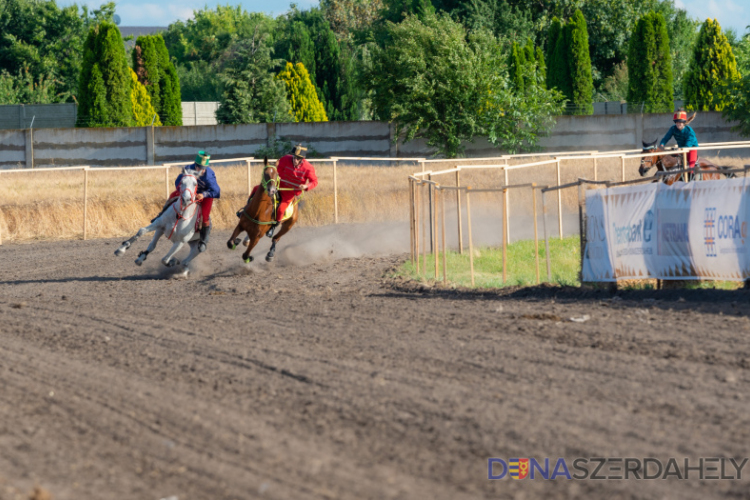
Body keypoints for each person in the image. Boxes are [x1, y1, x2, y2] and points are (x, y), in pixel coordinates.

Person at [243, 144, 318, 238]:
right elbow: (276, 170)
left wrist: (306, 186)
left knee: (281, 209)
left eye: (298, 158)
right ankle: (247, 208)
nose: (295, 160)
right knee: (256, 189)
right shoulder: (285, 159)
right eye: (294, 157)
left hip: (290, 191)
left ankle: (273, 226)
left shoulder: (308, 168)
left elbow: (314, 182)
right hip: (278, 185)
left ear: (302, 159)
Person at [153, 151, 220, 252]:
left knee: (205, 216)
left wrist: (204, 194)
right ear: (195, 164)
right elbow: (177, 182)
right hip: (189, 192)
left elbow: (216, 191)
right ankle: (160, 216)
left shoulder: (209, 175)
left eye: (203, 168)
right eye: (198, 167)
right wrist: (184, 191)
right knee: (173, 195)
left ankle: (203, 240)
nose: (200, 170)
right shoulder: (188, 168)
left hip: (205, 196)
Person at [660, 109, 699, 177]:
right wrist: (662, 144)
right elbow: (666, 138)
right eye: (676, 122)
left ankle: (691, 180)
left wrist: (680, 150)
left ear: (684, 122)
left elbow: (687, 146)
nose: (678, 124)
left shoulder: (689, 131)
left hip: (691, 149)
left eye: (680, 122)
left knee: (691, 166)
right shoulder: (673, 128)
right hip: (680, 149)